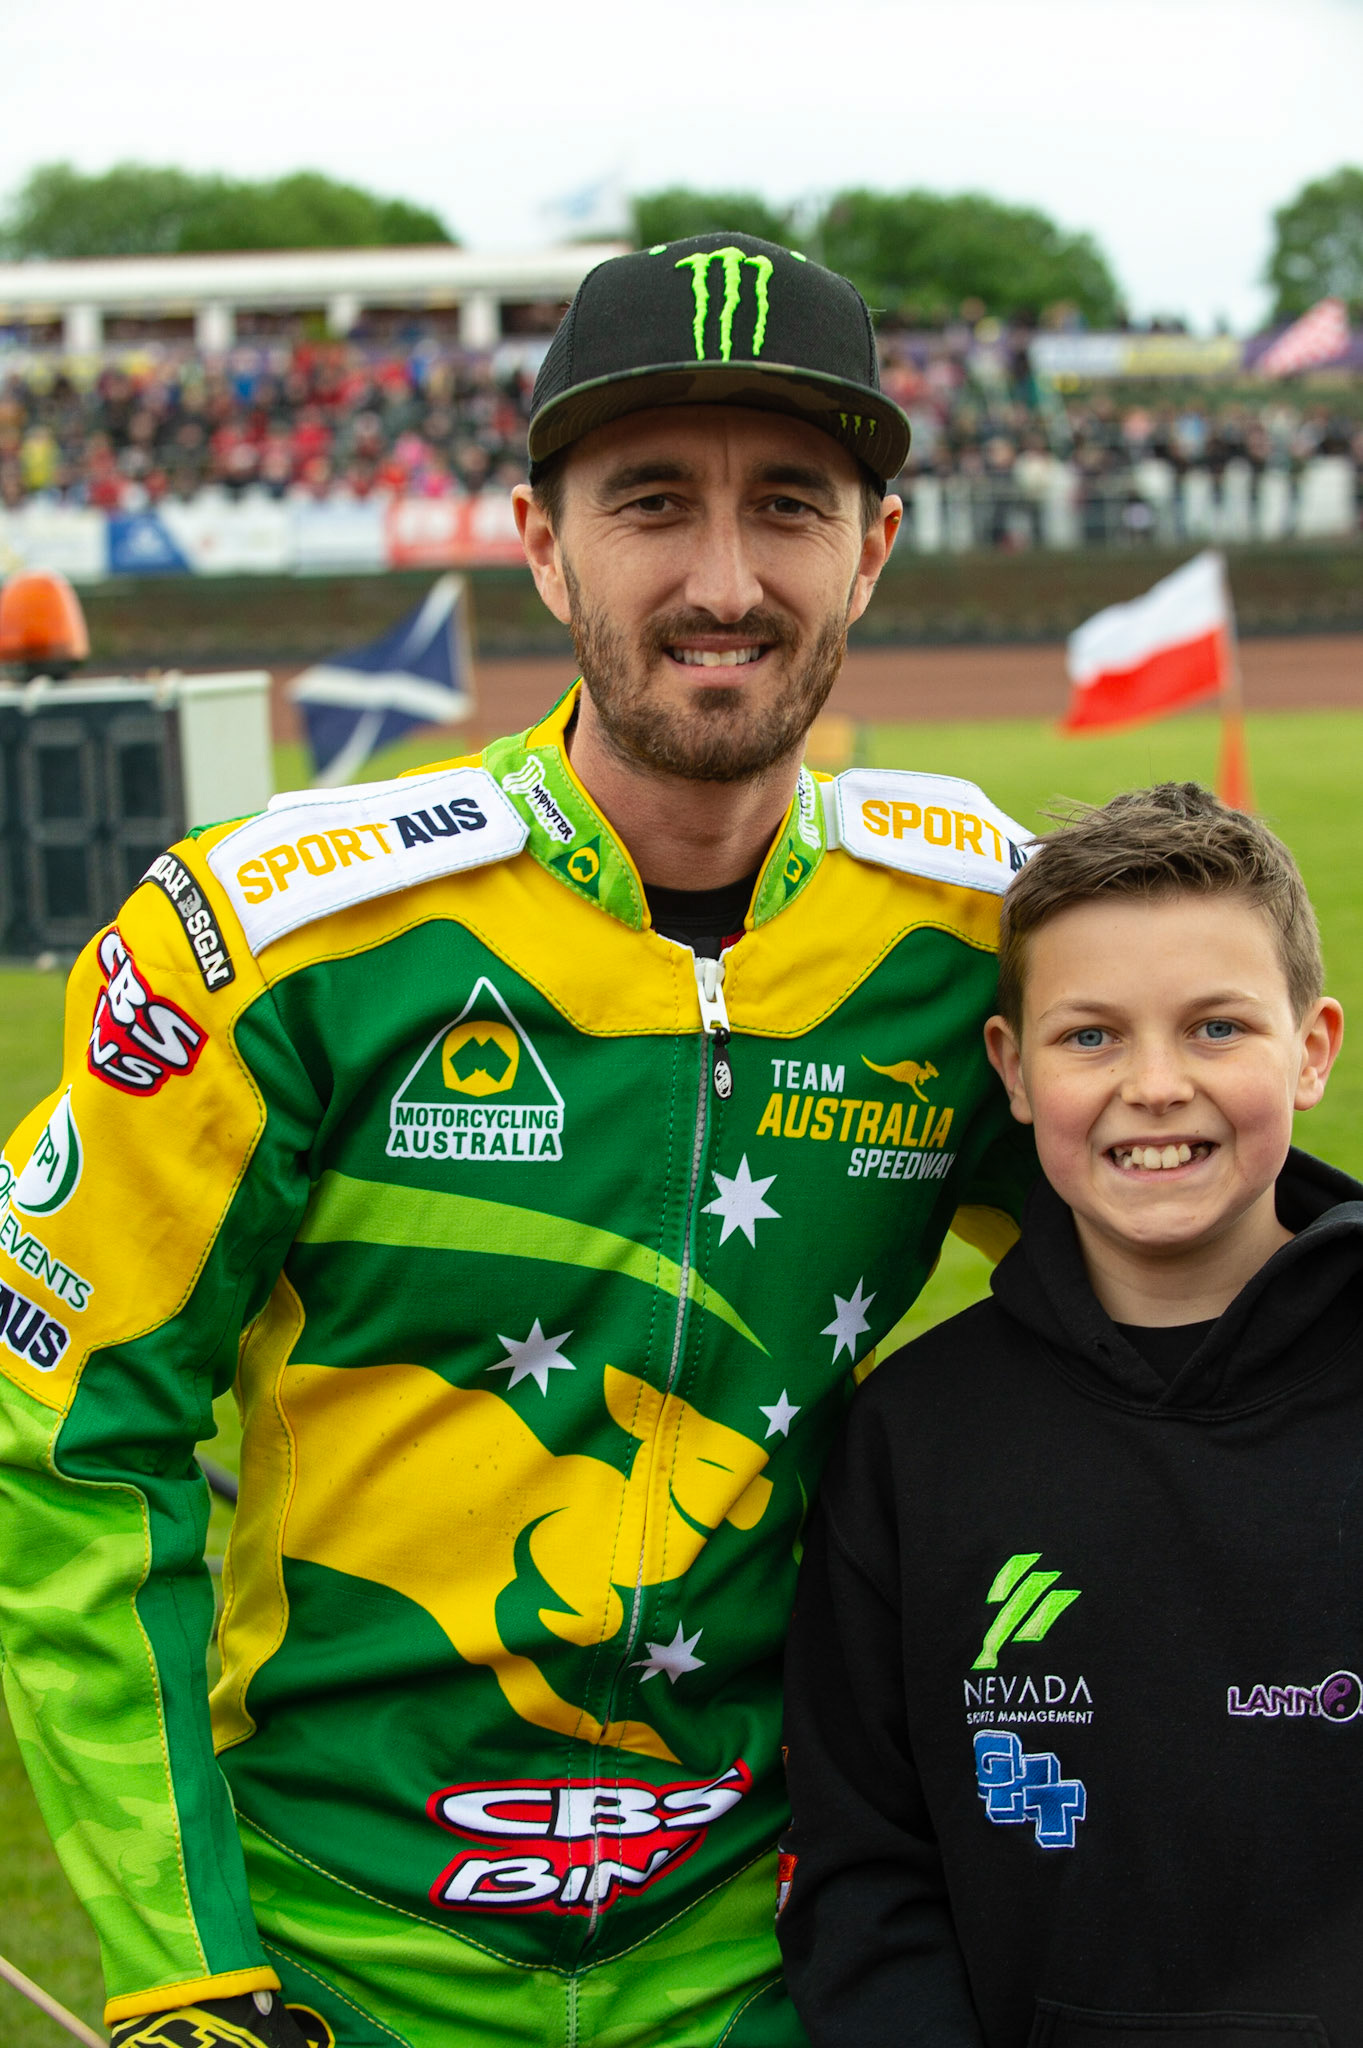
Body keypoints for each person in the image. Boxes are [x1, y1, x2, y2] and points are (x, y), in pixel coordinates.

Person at [0, 234, 1034, 2048]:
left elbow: (1209, 1340)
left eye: (787, 506)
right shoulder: (277, 946)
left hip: (772, 1961)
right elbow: (72, 1435)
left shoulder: (978, 943)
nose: (723, 580)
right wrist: (181, 1956)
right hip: (335, 1960)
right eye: (651, 502)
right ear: (540, 539)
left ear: (870, 548)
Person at [777, 782, 1359, 2045]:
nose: (1155, 1085)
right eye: (1089, 1036)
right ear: (1013, 1068)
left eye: (1214, 1027)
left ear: (1310, 1047)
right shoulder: (913, 1438)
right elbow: (863, 1869)